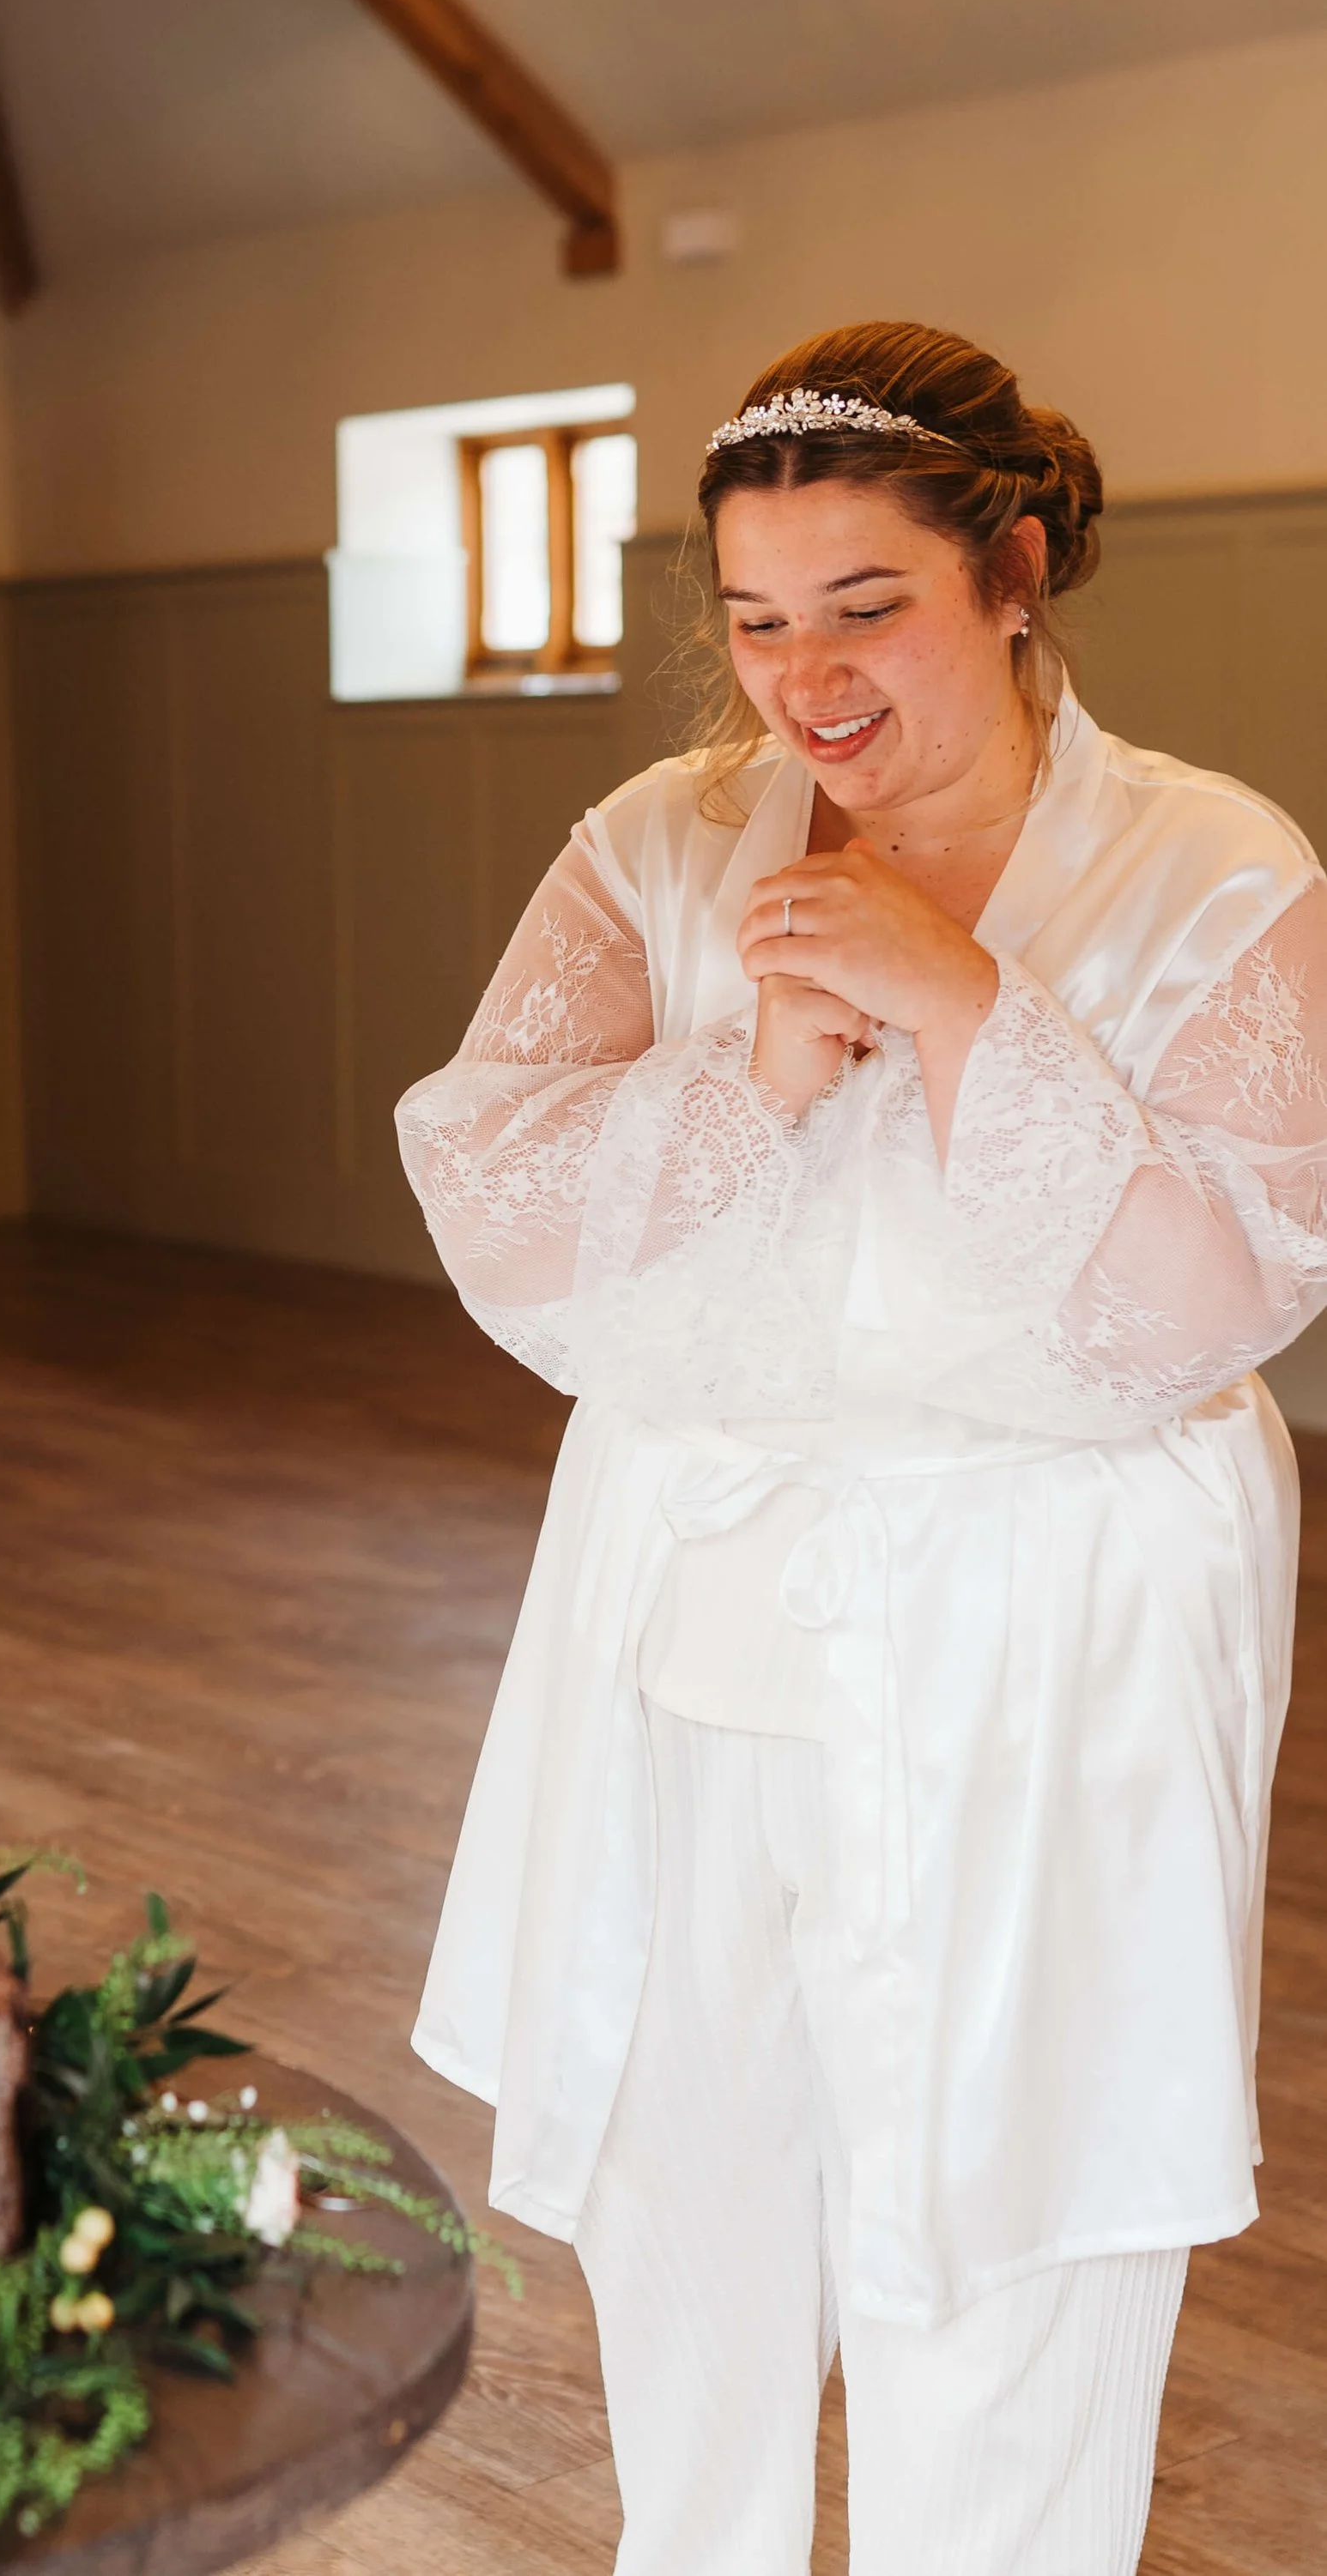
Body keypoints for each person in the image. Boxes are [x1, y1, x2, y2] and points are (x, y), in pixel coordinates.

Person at [396, 321, 1327, 2574]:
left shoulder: (1210, 868)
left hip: (1043, 1629)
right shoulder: (652, 846)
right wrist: (752, 1076)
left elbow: (1214, 1297)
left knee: (1001, 2234)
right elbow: (492, 1183)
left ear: (1009, 573)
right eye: (752, 619)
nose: (800, 681)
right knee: (683, 2193)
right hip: (688, 1615)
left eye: (863, 607)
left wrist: (961, 1009)